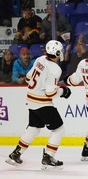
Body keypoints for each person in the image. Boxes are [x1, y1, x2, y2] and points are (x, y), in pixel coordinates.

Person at [6, 40, 71, 169]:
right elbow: (50, 92)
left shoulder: (40, 59)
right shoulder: (55, 68)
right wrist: (63, 91)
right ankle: (48, 157)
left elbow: (29, 78)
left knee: (34, 128)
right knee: (58, 129)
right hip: (42, 103)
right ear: (57, 53)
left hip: (31, 100)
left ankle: (16, 153)